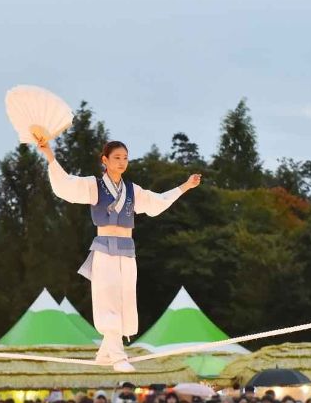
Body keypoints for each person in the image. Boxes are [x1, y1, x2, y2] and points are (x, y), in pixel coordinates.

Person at [38, 138, 200, 371]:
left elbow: (157, 202)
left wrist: (185, 186)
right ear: (105, 160)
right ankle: (117, 355)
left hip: (127, 250)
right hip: (104, 249)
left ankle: (106, 354)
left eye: (125, 158)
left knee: (124, 301)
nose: (122, 162)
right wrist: (50, 156)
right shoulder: (94, 186)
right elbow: (66, 185)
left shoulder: (132, 190)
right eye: (117, 158)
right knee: (108, 300)